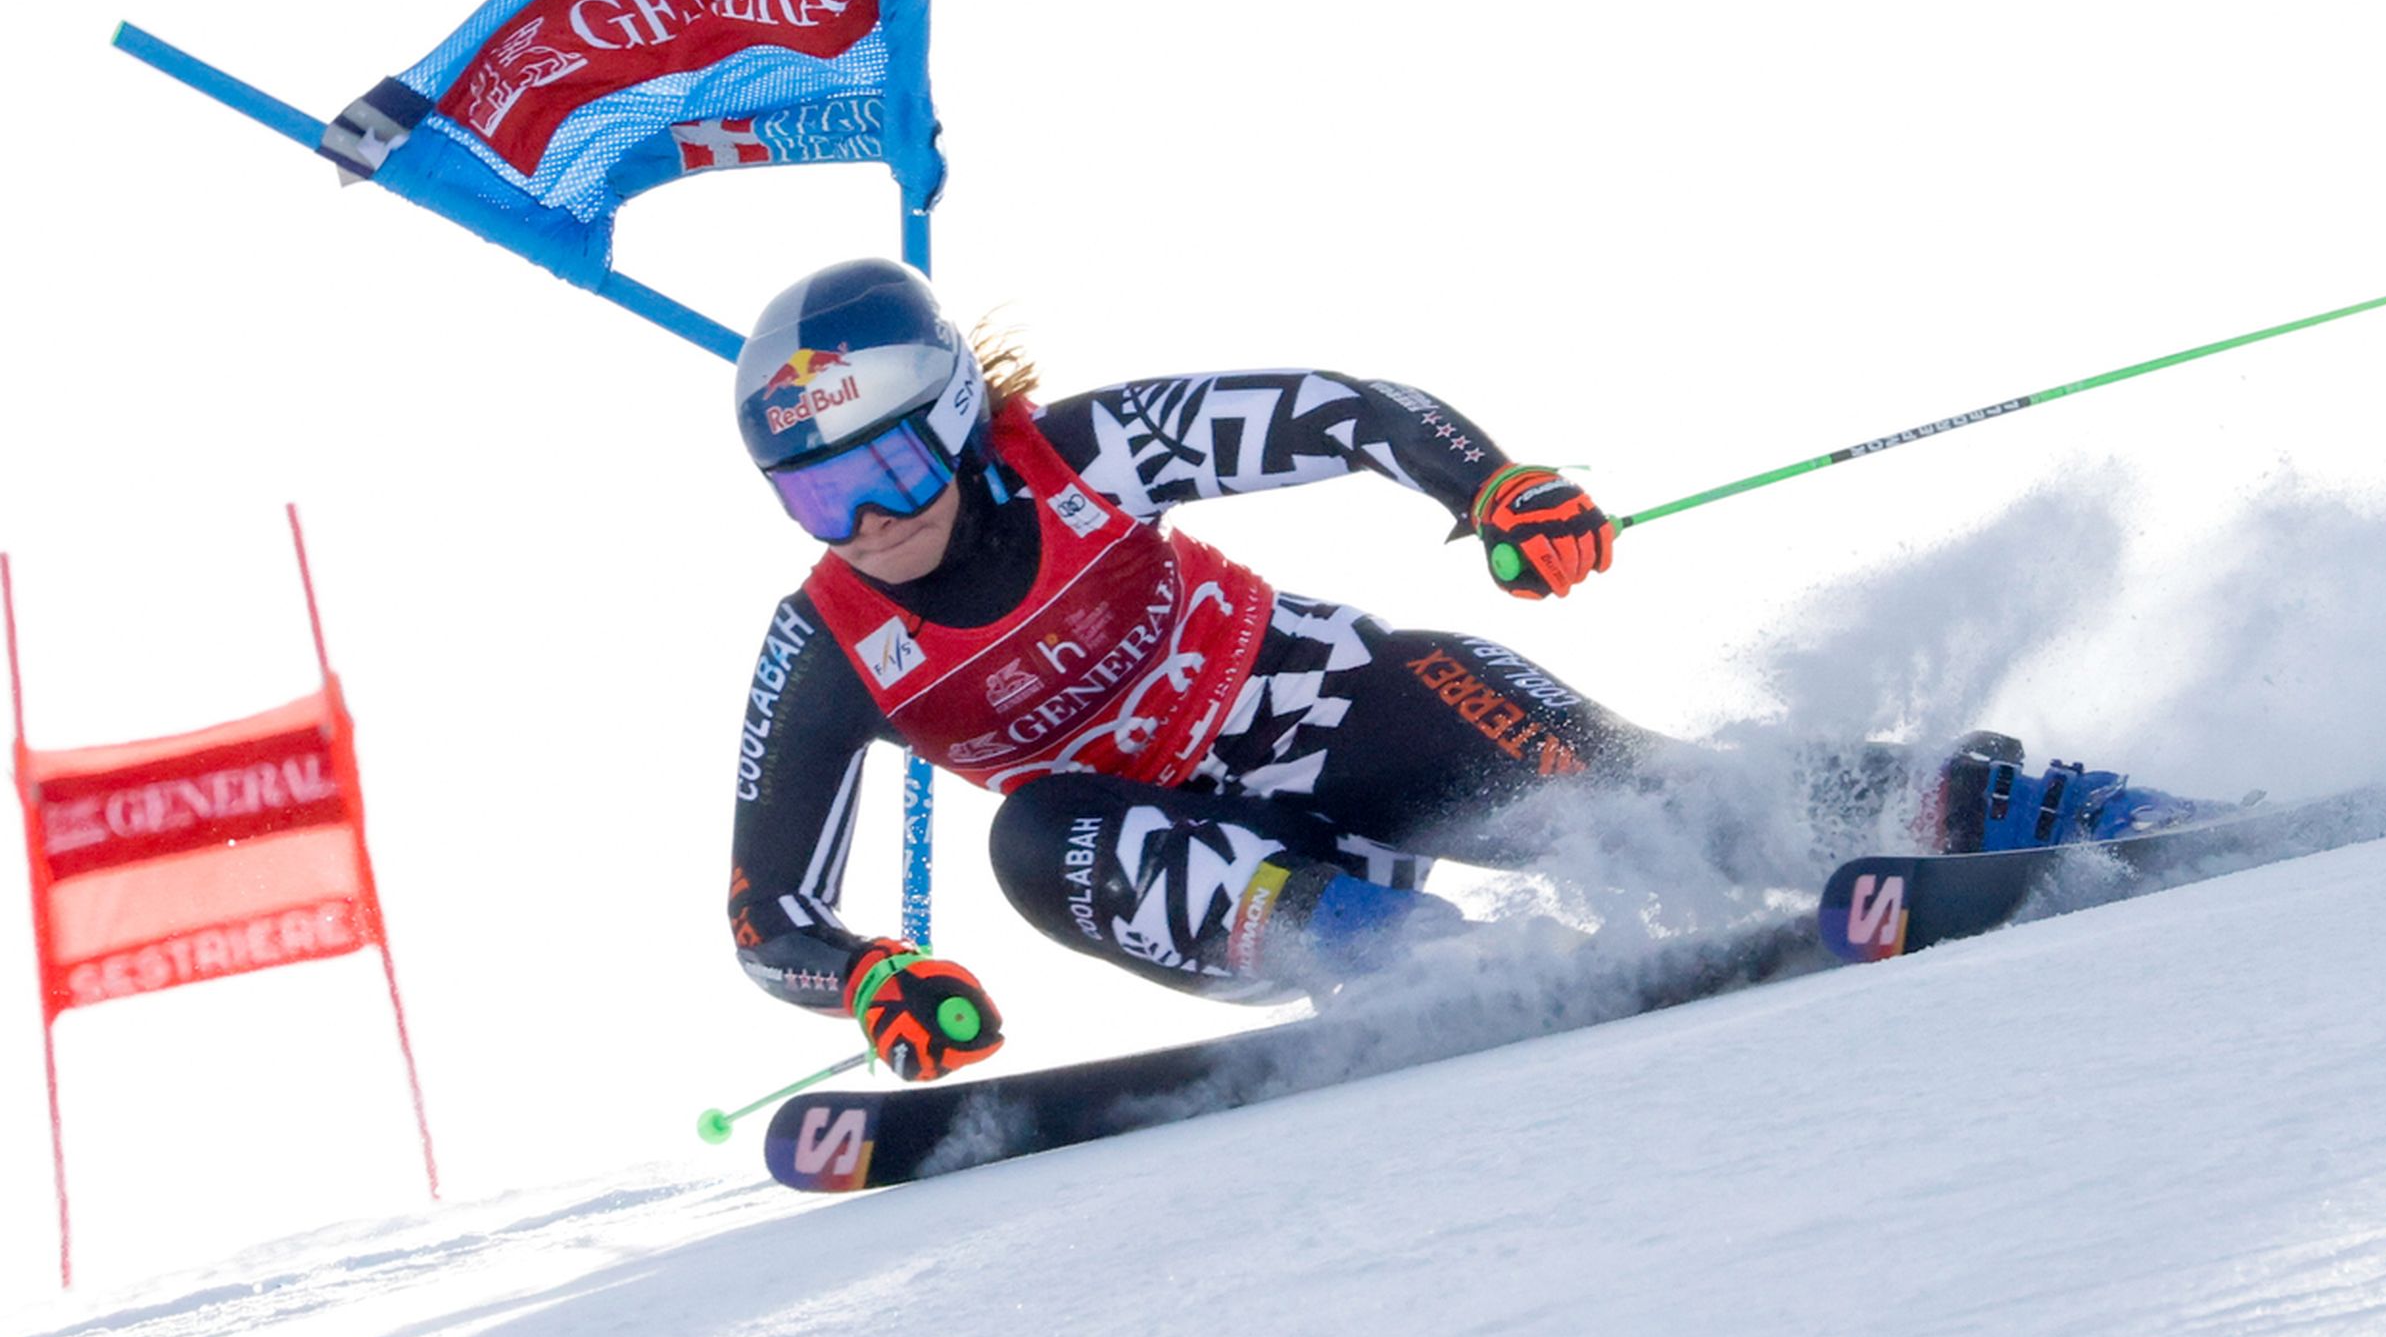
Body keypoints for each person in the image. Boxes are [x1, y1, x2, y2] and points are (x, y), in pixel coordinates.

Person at [726, 260, 2207, 1081]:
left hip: (1344, 718)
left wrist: (1492, 491)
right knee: (1036, 838)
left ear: (967, 419)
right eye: (819, 499)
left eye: (895, 463)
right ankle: (1407, 965)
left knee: (1665, 811)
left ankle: (2016, 808)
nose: (878, 523)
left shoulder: (1089, 455)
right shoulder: (829, 646)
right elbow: (765, 916)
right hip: (1208, 864)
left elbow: (1345, 412)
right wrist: (873, 979)